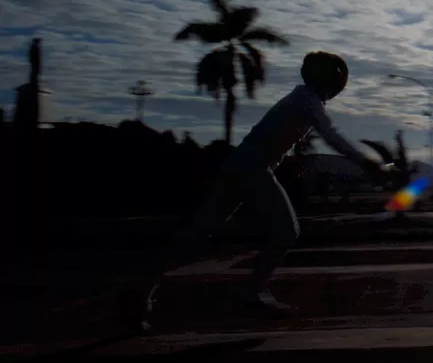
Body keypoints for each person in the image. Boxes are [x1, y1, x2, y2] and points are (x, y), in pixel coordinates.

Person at [123, 52, 390, 330]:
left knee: (196, 235)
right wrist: (367, 162)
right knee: (286, 231)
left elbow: (272, 135)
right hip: (253, 169)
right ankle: (251, 292)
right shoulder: (307, 99)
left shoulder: (299, 98)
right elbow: (331, 135)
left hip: (239, 166)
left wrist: (284, 162)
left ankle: (141, 290)